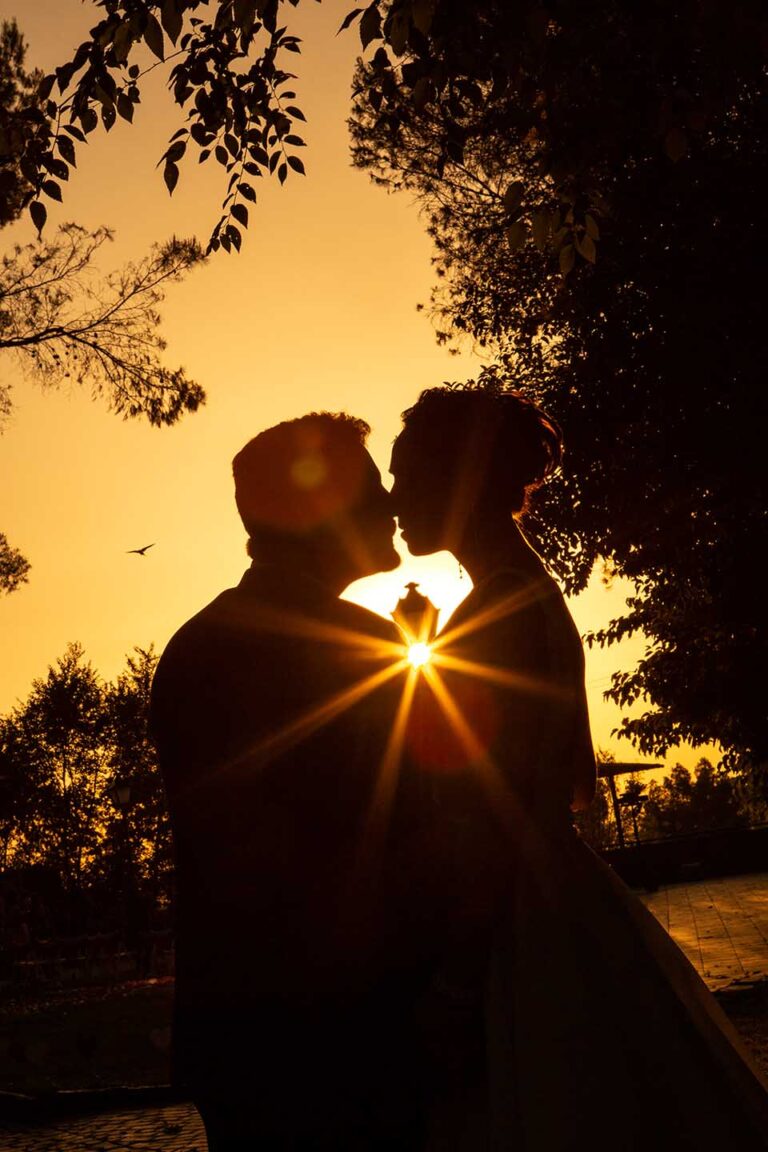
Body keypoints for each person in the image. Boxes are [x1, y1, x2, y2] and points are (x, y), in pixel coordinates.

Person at [389, 381, 768, 1150]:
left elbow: (491, 809)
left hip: (516, 916)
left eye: (405, 474)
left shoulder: (502, 610)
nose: (395, 498)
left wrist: (458, 979)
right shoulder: (517, 595)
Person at [150, 413, 427, 1150]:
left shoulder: (198, 642)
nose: (393, 505)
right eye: (372, 489)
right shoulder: (350, 646)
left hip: (245, 1034)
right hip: (346, 1036)